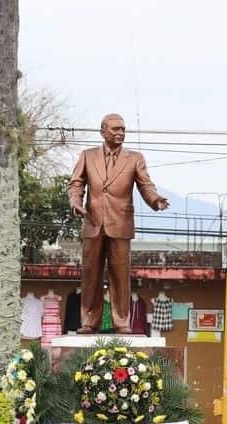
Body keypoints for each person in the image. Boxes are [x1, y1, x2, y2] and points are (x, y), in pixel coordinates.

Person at [68, 113, 169, 334]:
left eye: (123, 129)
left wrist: (155, 200)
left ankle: (121, 321)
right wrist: (75, 201)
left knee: (120, 275)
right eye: (115, 129)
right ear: (103, 131)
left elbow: (145, 185)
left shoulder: (134, 158)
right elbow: (76, 183)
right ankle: (88, 321)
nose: (120, 133)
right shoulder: (87, 156)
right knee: (91, 275)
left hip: (121, 222)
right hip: (93, 222)